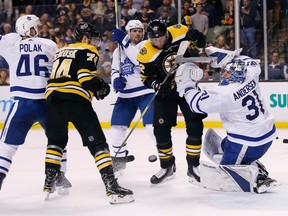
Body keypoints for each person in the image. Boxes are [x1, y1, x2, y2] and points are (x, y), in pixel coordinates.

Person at [43, 22, 134, 204]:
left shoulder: (61, 50)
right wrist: (100, 86)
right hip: (76, 100)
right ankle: (111, 186)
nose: (95, 43)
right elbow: (84, 77)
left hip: (52, 99)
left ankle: (48, 183)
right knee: (98, 144)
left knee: (55, 143)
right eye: (93, 39)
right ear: (85, 38)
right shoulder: (88, 50)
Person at [175, 46, 278, 193]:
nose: (224, 75)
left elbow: (197, 104)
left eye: (228, 73)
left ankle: (258, 179)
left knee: (226, 174)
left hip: (247, 143)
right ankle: (249, 163)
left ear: (235, 75)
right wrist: (226, 58)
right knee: (222, 148)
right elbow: (247, 61)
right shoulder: (251, 74)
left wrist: (186, 84)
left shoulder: (225, 93)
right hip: (266, 134)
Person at [0, 15, 71, 191]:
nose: (37, 29)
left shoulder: (11, 44)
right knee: (59, 140)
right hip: (48, 102)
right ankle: (60, 175)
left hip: (22, 104)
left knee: (7, 145)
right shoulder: (50, 44)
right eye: (35, 27)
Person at [137, 19, 207, 184]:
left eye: (161, 38)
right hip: (165, 91)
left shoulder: (180, 31)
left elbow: (201, 45)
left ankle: (193, 166)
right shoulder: (145, 51)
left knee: (195, 123)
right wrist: (156, 85)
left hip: (187, 87)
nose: (158, 42)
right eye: (154, 40)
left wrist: (198, 37)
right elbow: (145, 77)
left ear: (167, 33)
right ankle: (167, 166)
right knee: (160, 130)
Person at [110, 20, 155, 175]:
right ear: (128, 32)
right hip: (125, 95)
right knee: (116, 130)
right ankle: (119, 161)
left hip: (145, 92)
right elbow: (115, 68)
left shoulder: (146, 46)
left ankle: (166, 159)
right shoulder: (118, 51)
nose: (138, 33)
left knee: (153, 128)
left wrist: (124, 41)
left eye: (140, 31)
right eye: (134, 31)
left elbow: (140, 60)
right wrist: (115, 79)